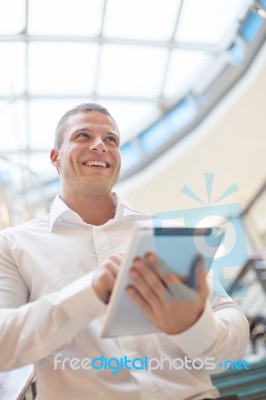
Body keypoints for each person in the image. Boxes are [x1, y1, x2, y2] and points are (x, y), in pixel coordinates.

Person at [0, 103, 249, 400]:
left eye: (111, 140)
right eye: (83, 136)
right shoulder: (13, 245)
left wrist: (194, 326)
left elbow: (231, 339)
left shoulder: (168, 232)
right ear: (55, 157)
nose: (100, 146)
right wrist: (89, 293)